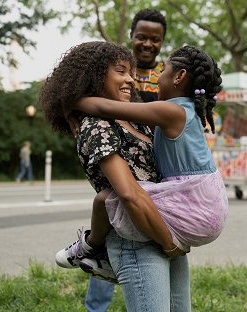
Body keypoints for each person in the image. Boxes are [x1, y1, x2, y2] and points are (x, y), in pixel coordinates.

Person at [40, 41, 191, 311]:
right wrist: (168, 243)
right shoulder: (95, 125)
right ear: (94, 76)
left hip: (163, 229)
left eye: (130, 72)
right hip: (135, 240)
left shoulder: (133, 117)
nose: (130, 80)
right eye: (121, 71)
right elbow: (128, 192)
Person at [67, 44, 228, 260]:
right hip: (207, 202)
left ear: (179, 76)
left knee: (105, 200)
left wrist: (69, 101)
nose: (158, 77)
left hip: (195, 205)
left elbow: (104, 108)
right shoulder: (184, 111)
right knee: (118, 199)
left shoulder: (171, 111)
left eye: (163, 71)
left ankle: (90, 249)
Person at [84, 8, 168, 311]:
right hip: (118, 162)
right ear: (131, 37)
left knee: (152, 234)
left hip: (155, 169)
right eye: (142, 37)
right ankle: (97, 307)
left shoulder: (166, 78)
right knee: (111, 228)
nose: (147, 44)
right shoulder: (118, 70)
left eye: (155, 39)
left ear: (162, 42)